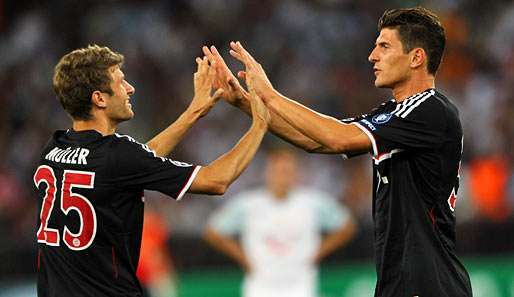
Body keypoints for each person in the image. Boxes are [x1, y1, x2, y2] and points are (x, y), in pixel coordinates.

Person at [203, 6, 473, 297]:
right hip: (401, 280)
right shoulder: (394, 113)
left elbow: (337, 138)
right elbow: (315, 141)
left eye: (384, 46)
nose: (372, 55)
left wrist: (269, 94)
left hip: (428, 281)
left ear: (416, 57)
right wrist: (245, 102)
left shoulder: (430, 110)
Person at [33, 44, 270, 297]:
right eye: (121, 81)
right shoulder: (119, 156)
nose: (130, 88)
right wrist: (260, 124)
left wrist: (193, 113)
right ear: (99, 98)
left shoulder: (54, 147)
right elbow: (216, 181)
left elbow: (133, 164)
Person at [204, 148, 356, 297]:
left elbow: (346, 226)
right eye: (278, 171)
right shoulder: (249, 204)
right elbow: (213, 231)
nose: (282, 176)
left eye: (287, 171)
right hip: (260, 286)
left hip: (301, 285)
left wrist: (318, 252)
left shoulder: (312, 202)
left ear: (296, 173)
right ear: (267, 173)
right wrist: (243, 259)